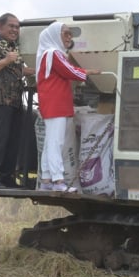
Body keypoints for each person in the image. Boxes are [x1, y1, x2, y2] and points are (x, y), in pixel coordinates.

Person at [36, 21, 100, 192]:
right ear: (55, 35)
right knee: (56, 143)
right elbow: (69, 71)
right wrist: (88, 72)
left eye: (70, 34)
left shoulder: (48, 53)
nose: (69, 37)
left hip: (55, 102)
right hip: (55, 103)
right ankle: (58, 182)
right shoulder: (53, 53)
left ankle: (46, 180)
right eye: (65, 33)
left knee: (51, 142)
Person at [0, 13, 35, 188]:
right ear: (0, 27)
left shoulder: (14, 47)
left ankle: (6, 177)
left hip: (16, 100)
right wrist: (5, 60)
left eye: (17, 27)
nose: (14, 30)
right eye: (11, 26)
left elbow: (16, 69)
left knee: (13, 140)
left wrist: (34, 71)